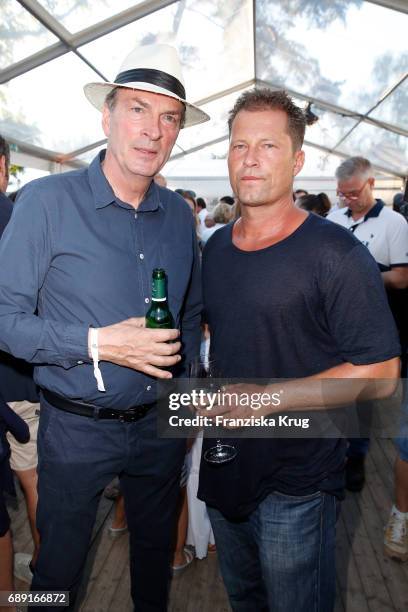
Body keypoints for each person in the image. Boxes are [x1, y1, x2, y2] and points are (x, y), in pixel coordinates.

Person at [0, 43, 208, 611]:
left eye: (168, 118)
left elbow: (189, 316)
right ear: (107, 116)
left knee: (152, 562)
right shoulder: (46, 202)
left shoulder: (177, 216)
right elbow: (4, 320)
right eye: (138, 109)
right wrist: (98, 342)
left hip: (158, 428)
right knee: (56, 570)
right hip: (75, 431)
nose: (152, 130)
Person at [197, 89, 400, 612]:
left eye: (268, 145)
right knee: (244, 598)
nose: (250, 159)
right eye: (240, 145)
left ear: (298, 159)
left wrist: (265, 400)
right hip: (225, 463)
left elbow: (381, 373)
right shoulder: (215, 248)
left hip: (299, 476)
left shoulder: (336, 254)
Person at [328, 157, 408, 492]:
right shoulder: (333, 218)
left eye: (353, 193)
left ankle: (357, 455)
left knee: (360, 394)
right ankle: (332, 453)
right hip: (332, 323)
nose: (347, 200)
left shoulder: (394, 223)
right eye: (342, 194)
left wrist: (363, 277)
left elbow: (402, 277)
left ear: (371, 184)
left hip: (372, 323)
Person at [0, 134, 41, 584]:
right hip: (19, 382)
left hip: (12, 380)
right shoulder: (24, 219)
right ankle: (46, 576)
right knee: (32, 480)